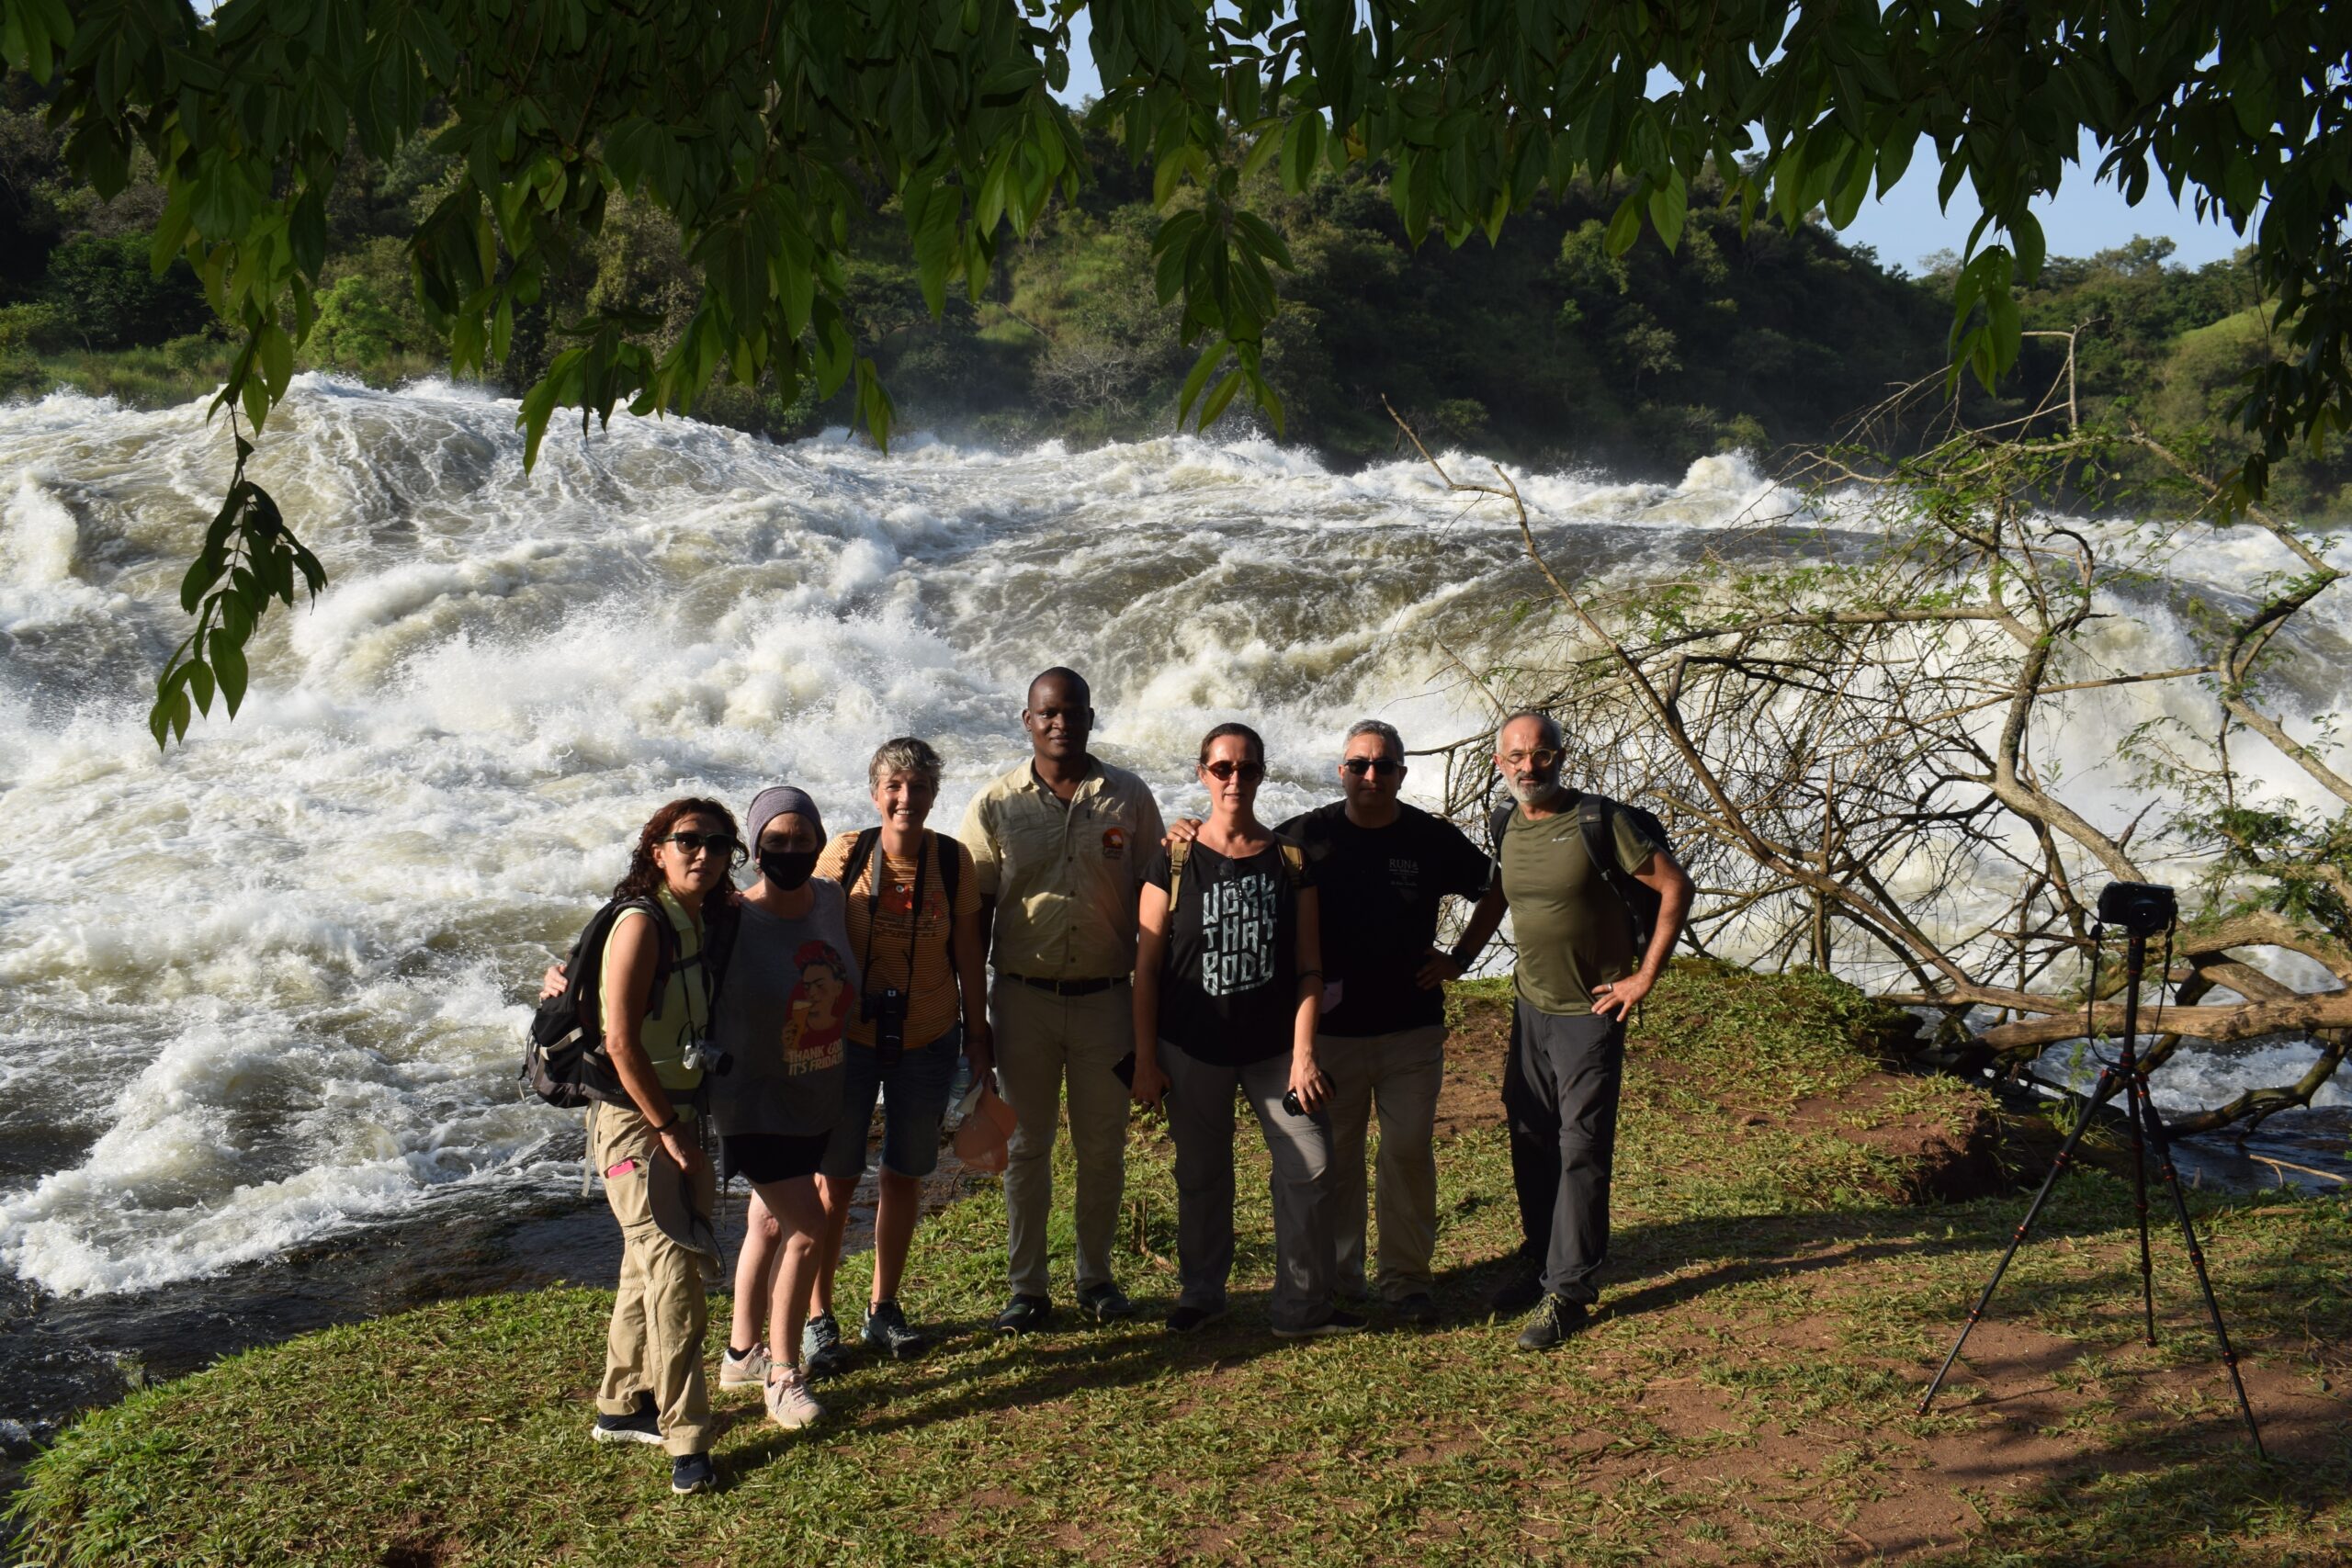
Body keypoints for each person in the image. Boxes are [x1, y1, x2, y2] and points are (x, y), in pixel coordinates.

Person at [1130, 723, 1361, 1337]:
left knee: (1309, 1167)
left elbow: (1310, 967)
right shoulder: (1173, 856)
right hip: (1191, 1047)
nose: (1235, 779)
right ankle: (1202, 1295)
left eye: (1247, 768)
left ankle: (1302, 1306)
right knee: (1201, 1175)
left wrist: (1305, 1054)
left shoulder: (1290, 860)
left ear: (1262, 774)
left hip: (1275, 1049)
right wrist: (1147, 1059)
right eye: (1222, 767)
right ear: (1203, 773)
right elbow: (1146, 968)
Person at [1275, 718, 1506, 1325]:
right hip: (1332, 1037)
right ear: (1341, 770)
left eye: (1383, 766)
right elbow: (1241, 857)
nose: (1371, 776)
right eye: (1359, 765)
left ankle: (1406, 1280)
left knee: (1406, 1151)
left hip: (1411, 1029)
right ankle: (1344, 1278)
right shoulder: (1306, 836)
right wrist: (1187, 836)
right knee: (1340, 1158)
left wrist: (1460, 957)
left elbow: (1499, 886)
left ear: (1402, 774)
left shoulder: (1430, 837)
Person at [959, 667, 1166, 1332]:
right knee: (1026, 1147)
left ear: (1090, 716)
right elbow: (975, 913)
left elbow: (1155, 897)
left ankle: (1097, 1277)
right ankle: (1028, 1288)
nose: (1060, 723)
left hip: (1108, 997)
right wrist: (975, 1022)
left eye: (1072, 712)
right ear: (1027, 720)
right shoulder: (996, 803)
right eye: (1047, 713)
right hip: (1023, 999)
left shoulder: (1128, 797)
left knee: (1103, 1145)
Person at [1479, 711, 1693, 1350]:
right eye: (1516, 756)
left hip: (1589, 1012)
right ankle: (1542, 1256)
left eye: (1541, 755)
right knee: (1530, 1133)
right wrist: (1458, 959)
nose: (1528, 766)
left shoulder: (1601, 820)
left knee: (1581, 1146)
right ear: (1499, 762)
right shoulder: (1506, 823)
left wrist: (1642, 977)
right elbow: (1498, 894)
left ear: (1561, 757)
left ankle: (1568, 1291)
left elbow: (1675, 886)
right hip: (1530, 1008)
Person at [802, 739, 989, 1371]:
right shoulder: (846, 851)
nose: (907, 798)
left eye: (920, 788)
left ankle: (884, 1308)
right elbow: (800, 919)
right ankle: (817, 1317)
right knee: (837, 1179)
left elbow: (969, 955)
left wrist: (978, 1032)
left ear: (935, 795)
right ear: (875, 790)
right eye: (895, 786)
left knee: (905, 1173)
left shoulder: (954, 862)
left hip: (929, 1037)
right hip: (849, 1038)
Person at [580, 796, 739, 1495]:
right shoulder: (644, 922)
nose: (702, 853)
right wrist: (672, 1136)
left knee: (646, 1263)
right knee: (675, 1267)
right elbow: (618, 1042)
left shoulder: (698, 917)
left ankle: (621, 1404)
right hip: (637, 1122)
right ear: (657, 849)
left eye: (718, 843)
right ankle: (687, 1438)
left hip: (674, 1112)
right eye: (687, 841)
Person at [706, 785, 859, 1429]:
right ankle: (783, 1373)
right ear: (754, 846)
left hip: (815, 1094)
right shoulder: (732, 917)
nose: (790, 850)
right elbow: (652, 935)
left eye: (801, 839)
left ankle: (742, 1351)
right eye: (776, 840)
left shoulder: (829, 900)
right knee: (807, 1228)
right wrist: (569, 970)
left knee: (767, 1223)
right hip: (753, 1102)